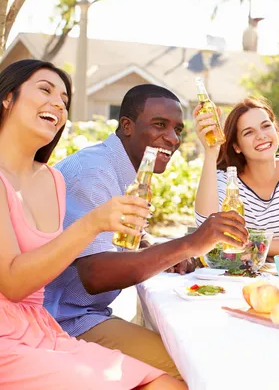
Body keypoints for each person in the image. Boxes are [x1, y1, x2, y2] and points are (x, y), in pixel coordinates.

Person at [0, 59, 185, 389]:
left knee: (172, 379)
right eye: (45, 90)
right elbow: (21, 283)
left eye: (64, 100)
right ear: (6, 98)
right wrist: (94, 224)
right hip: (35, 328)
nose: (58, 103)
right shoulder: (93, 171)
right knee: (185, 368)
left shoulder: (51, 181)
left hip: (42, 327)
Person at [44, 84, 248, 380]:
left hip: (86, 315)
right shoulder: (94, 173)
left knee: (196, 341)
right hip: (63, 322)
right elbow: (96, 274)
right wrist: (190, 243)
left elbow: (120, 241)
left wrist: (159, 250)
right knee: (195, 365)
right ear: (126, 126)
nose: (173, 138)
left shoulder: (129, 169)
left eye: (178, 129)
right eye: (159, 125)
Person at [194, 96, 279, 255]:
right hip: (233, 277)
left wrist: (247, 243)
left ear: (276, 131)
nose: (261, 136)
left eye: (266, 126)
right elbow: (206, 235)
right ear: (237, 146)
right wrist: (211, 153)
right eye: (248, 132)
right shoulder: (227, 181)